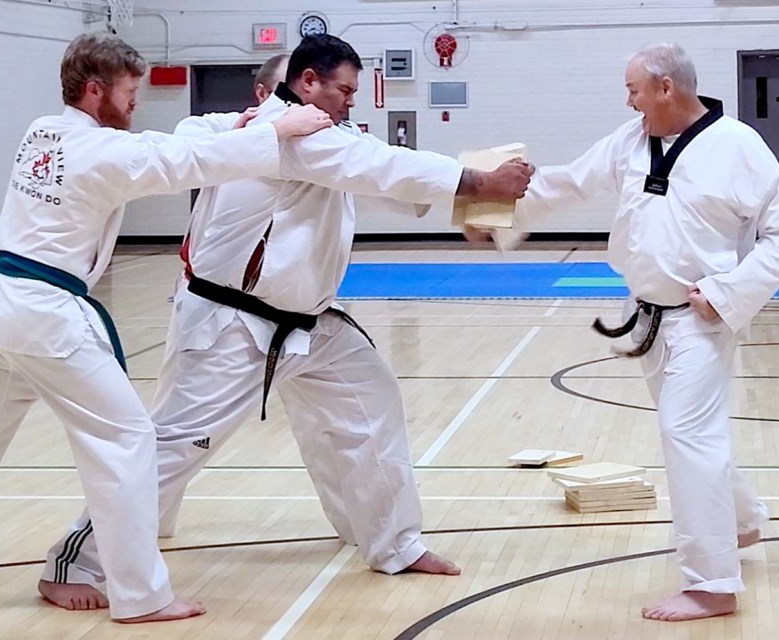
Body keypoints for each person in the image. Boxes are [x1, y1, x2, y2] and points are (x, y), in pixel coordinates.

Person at [40, 33, 532, 595]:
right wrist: (476, 181)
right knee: (176, 444)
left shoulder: (309, 136)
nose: (352, 102)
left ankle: (393, 541)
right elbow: (377, 165)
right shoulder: (286, 135)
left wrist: (466, 206)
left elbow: (377, 176)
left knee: (372, 405)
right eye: (344, 90)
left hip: (308, 323)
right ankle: (76, 562)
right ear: (307, 84)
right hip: (234, 326)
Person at [0, 32, 331, 625]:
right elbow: (176, 161)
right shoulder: (101, 154)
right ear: (96, 90)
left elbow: (160, 147)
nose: (136, 103)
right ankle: (141, 596)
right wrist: (277, 133)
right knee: (127, 442)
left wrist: (241, 129)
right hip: (46, 316)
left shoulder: (41, 131)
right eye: (130, 91)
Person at [501, 43, 779, 621]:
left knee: (688, 436)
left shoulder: (738, 146)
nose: (628, 98)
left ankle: (713, 583)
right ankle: (741, 523)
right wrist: (496, 210)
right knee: (695, 436)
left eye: (634, 87)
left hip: (702, 319)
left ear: (667, 88)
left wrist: (727, 294)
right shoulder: (629, 141)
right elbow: (567, 183)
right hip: (648, 316)